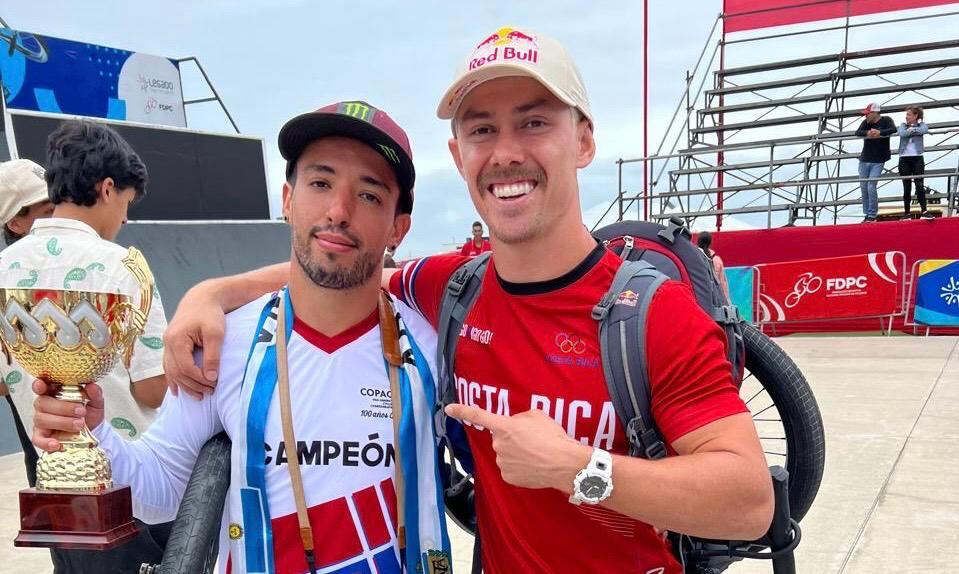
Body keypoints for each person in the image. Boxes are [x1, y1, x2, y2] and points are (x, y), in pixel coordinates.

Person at [161, 29, 774, 574]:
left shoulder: (651, 315)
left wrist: (579, 469)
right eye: (482, 129)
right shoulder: (451, 287)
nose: (505, 151)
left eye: (533, 122)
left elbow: (748, 502)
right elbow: (340, 264)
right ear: (458, 155)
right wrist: (210, 294)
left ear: (583, 140)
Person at [31, 102, 452, 574]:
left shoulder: (436, 345)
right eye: (321, 183)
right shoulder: (224, 342)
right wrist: (92, 431)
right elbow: (159, 491)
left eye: (370, 195)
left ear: (399, 226)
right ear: (289, 199)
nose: (338, 211)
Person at [0, 121, 171, 574]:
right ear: (109, 188)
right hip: (132, 486)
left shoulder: (3, 268)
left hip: (58, 492)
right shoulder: (124, 266)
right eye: (128, 204)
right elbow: (152, 389)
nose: (125, 219)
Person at [0, 158, 55, 487]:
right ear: (15, 224)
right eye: (46, 212)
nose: (60, 218)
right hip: (48, 461)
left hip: (124, 453)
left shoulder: (92, 264)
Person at [855, 102, 897, 223]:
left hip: (878, 159)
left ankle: (872, 214)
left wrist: (880, 133)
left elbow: (893, 129)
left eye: (868, 114)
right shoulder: (866, 123)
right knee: (864, 187)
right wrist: (868, 133)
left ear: (874, 113)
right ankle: (867, 213)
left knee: (871, 186)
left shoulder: (886, 120)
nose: (866, 116)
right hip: (865, 158)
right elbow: (857, 132)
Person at [897, 106, 932, 220]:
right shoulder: (903, 125)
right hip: (904, 158)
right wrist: (911, 131)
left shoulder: (922, 125)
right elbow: (902, 133)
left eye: (909, 115)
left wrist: (913, 130)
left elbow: (924, 130)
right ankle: (907, 212)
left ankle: (924, 211)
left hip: (917, 158)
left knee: (919, 184)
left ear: (916, 116)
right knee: (906, 186)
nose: (906, 117)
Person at [697, 231, 730, 301]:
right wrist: (726, 300)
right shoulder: (717, 260)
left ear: (698, 242)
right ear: (710, 243)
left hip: (699, 297)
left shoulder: (694, 257)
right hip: (715, 299)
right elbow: (722, 282)